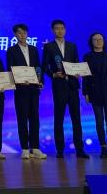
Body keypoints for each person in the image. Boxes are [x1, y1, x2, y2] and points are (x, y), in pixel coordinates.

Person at [42, 20, 88, 159]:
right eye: (57, 28)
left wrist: (78, 72)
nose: (60, 31)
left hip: (73, 86)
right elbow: (44, 66)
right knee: (59, 119)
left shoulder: (72, 46)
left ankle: (79, 149)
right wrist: (53, 74)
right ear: (53, 30)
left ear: (65, 30)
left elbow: (76, 63)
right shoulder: (49, 47)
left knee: (76, 119)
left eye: (62, 28)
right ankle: (60, 150)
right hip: (59, 86)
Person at [6, 23, 46, 160]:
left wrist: (40, 81)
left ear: (27, 34)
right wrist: (19, 80)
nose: (22, 35)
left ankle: (35, 148)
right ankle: (24, 148)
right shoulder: (11, 50)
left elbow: (38, 68)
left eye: (24, 32)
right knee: (22, 118)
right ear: (15, 35)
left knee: (35, 118)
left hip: (33, 89)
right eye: (19, 33)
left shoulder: (34, 49)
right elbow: (10, 69)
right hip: (21, 89)